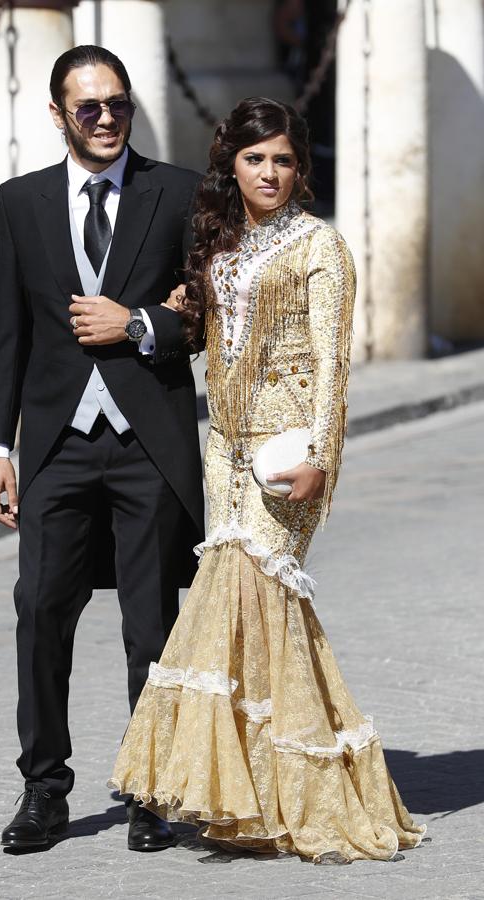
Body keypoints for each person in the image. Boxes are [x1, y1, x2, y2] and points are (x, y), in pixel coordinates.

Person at [110, 97, 426, 862]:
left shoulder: (321, 246)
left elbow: (331, 367)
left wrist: (321, 457)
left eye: (283, 160)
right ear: (232, 164)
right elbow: (202, 331)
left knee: (251, 596)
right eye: (256, 159)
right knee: (256, 616)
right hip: (222, 450)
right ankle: (262, 793)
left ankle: (311, 795)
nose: (270, 173)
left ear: (300, 167)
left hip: (288, 454)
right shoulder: (219, 243)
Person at [0, 45, 204, 852]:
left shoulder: (176, 192)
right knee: (40, 613)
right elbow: (8, 333)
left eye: (118, 103)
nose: (107, 118)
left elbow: (211, 313)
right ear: (58, 116)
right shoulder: (21, 202)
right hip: (56, 449)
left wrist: (139, 324)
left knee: (150, 628)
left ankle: (151, 786)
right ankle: (44, 788)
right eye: (89, 108)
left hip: (148, 444)